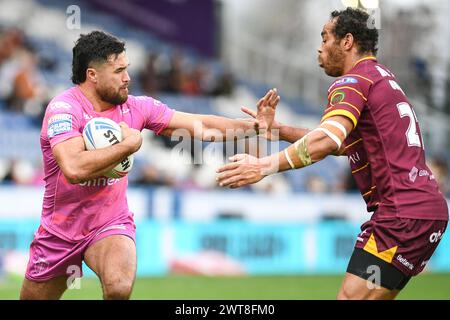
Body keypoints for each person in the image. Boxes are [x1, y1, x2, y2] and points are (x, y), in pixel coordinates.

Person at [20, 30, 280, 300]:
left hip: (109, 223)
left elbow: (201, 126)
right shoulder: (63, 109)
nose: (128, 78)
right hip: (59, 231)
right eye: (119, 71)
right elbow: (73, 168)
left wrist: (253, 126)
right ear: (92, 75)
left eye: (127, 69)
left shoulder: (137, 108)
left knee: (119, 286)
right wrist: (127, 146)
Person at [217, 8, 448, 300]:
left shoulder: (352, 82)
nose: (320, 46)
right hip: (422, 211)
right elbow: (341, 144)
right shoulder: (381, 77)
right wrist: (276, 129)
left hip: (401, 214)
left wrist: (264, 166)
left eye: (325, 38)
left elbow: (327, 140)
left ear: (347, 41)